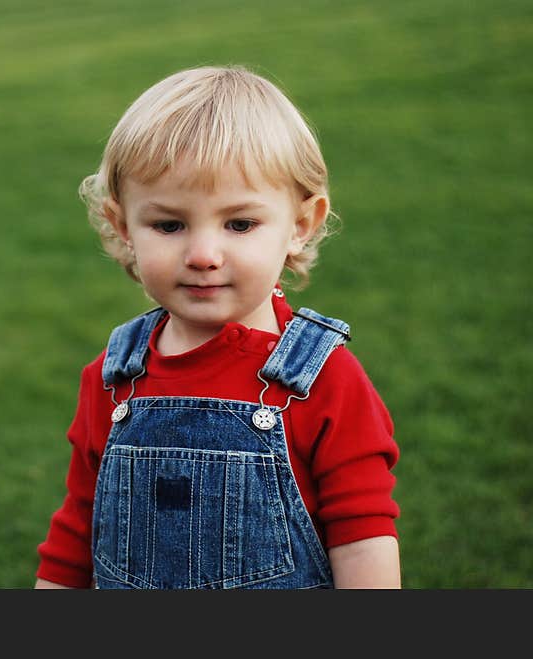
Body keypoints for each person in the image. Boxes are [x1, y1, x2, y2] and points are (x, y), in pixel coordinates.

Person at [35, 65, 401, 589]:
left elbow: (363, 537)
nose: (204, 255)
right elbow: (77, 529)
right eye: (169, 225)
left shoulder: (322, 378)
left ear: (300, 226)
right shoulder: (113, 378)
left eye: (239, 224)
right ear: (123, 227)